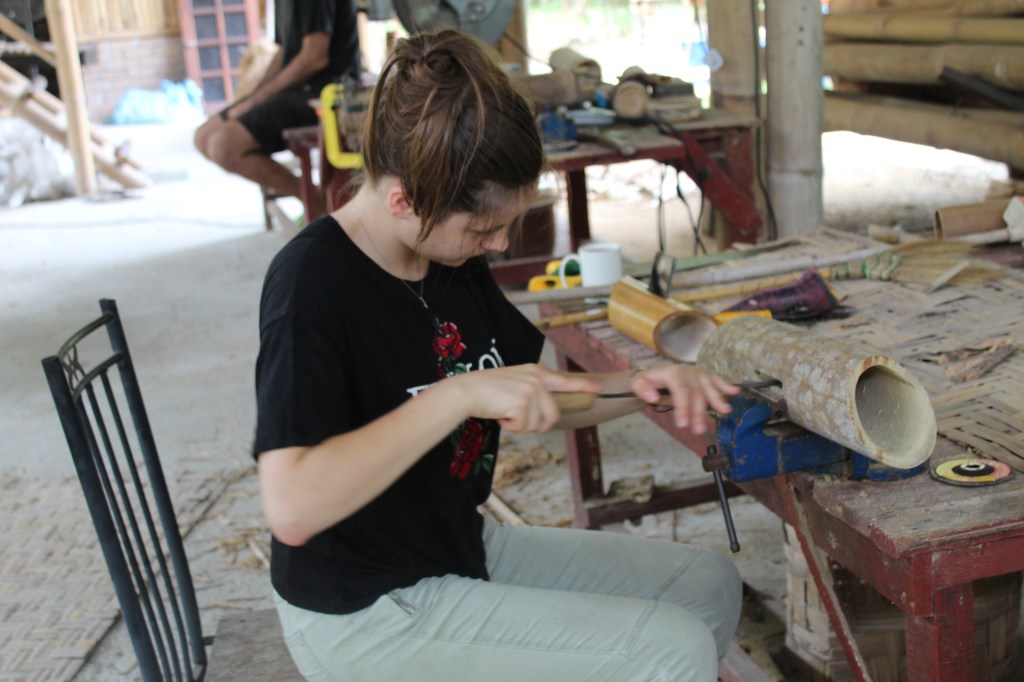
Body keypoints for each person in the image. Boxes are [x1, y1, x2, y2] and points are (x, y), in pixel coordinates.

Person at [253, 29, 743, 682]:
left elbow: (527, 394)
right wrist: (455, 397)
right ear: (403, 201)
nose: (502, 243)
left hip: (454, 549)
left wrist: (642, 384)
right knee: (669, 650)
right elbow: (291, 509)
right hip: (364, 609)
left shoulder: (443, 254)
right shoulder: (311, 283)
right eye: (484, 228)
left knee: (705, 587)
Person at [194, 0, 361, 198]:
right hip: (297, 91)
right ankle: (314, 198)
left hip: (328, 93)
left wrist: (257, 100)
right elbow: (283, 53)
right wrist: (254, 96)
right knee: (203, 136)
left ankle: (316, 202)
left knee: (223, 145)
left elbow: (314, 57)